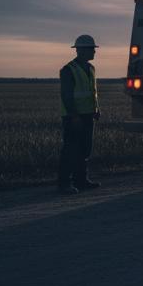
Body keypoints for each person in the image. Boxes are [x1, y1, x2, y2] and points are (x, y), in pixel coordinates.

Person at [59, 34, 101, 194]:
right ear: (81, 51)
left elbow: (93, 92)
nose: (94, 52)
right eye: (92, 49)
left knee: (84, 149)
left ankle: (81, 181)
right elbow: (67, 96)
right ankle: (64, 184)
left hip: (88, 115)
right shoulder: (68, 70)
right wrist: (74, 115)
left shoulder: (91, 69)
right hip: (74, 117)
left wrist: (97, 109)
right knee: (70, 150)